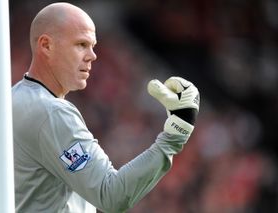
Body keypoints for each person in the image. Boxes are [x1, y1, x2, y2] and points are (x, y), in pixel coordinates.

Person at [12, 2, 200, 213]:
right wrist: (174, 136)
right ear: (46, 45)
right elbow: (111, 194)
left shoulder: (13, 100)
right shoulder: (51, 113)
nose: (92, 55)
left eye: (92, 46)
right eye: (81, 44)